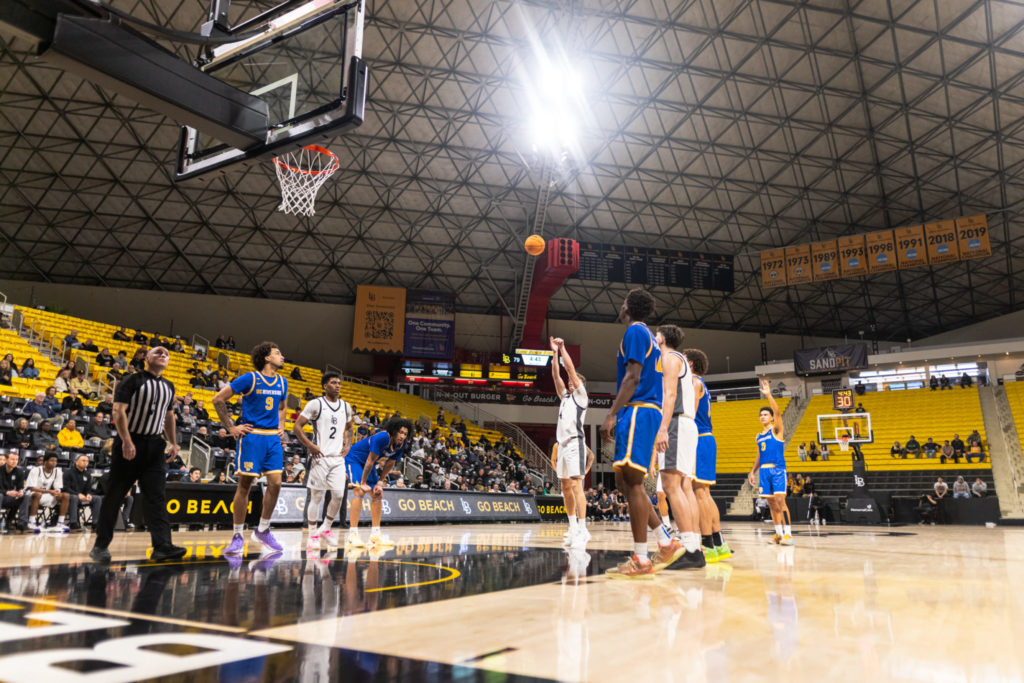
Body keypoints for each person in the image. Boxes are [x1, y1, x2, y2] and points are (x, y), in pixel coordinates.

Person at [89, 346, 185, 563]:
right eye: (158, 352)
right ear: (146, 358)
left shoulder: (169, 386)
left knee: (156, 497)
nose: (163, 355)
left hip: (154, 446)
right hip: (130, 442)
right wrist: (126, 440)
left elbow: (169, 417)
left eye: (166, 354)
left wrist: (173, 443)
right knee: (115, 494)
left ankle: (162, 546)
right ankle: (100, 546)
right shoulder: (132, 381)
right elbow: (118, 411)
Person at [600, 288, 663, 578]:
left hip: (638, 408)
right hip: (640, 410)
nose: (620, 304)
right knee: (624, 482)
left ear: (629, 307)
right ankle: (665, 539)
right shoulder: (645, 334)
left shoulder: (636, 332)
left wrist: (611, 413)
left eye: (623, 300)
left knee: (634, 483)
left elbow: (633, 376)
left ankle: (641, 558)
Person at [214, 341, 289, 557]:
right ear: (266, 358)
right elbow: (218, 399)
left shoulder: (283, 382)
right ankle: (237, 535)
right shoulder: (250, 378)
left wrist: (282, 426)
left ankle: (263, 529)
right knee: (245, 484)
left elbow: (282, 407)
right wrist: (230, 426)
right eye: (278, 353)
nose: (282, 356)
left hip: (272, 439)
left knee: (276, 483)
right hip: (252, 437)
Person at [651, 325, 704, 571]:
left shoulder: (671, 359)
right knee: (683, 487)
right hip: (686, 426)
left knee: (672, 487)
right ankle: (694, 546)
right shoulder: (678, 359)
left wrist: (662, 428)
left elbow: (670, 396)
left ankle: (690, 550)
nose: (653, 336)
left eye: (656, 334)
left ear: (661, 338)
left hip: (676, 423)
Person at [293, 373, 354, 551]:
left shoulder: (346, 406)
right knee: (317, 497)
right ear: (324, 386)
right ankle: (313, 534)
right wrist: (310, 445)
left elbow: (349, 428)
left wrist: (348, 444)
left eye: (339, 383)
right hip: (320, 457)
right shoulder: (316, 404)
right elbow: (297, 427)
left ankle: (326, 528)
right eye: (333, 382)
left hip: (337, 459)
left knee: (339, 495)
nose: (337, 385)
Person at [548, 336, 593, 548]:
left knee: (576, 486)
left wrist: (564, 348)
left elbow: (570, 370)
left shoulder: (581, 397)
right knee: (565, 488)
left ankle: (584, 530)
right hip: (563, 444)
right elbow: (556, 374)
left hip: (575, 443)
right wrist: (554, 354)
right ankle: (573, 527)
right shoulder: (565, 397)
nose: (570, 382)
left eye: (574, 381)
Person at [344, 416, 413, 547]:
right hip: (355, 459)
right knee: (359, 489)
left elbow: (390, 462)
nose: (403, 436)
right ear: (393, 430)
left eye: (405, 434)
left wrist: (380, 482)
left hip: (369, 464)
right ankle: (352, 535)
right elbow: (370, 461)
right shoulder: (382, 437)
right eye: (400, 432)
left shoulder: (401, 443)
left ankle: (375, 536)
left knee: (377, 493)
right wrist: (363, 482)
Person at [749, 378, 792, 545]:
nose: (762, 417)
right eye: (761, 415)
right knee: (772, 504)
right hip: (764, 472)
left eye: (765, 414)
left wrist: (768, 395)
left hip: (778, 470)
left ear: (772, 418)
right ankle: (779, 534)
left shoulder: (777, 430)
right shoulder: (759, 436)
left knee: (781, 502)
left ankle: (788, 534)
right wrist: (752, 471)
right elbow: (759, 456)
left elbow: (778, 412)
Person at [18, 452, 70, 533]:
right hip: (30, 495)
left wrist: (57, 492)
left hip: (46, 494)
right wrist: (49, 491)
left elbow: (58, 487)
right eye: (52, 461)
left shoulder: (58, 471)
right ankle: (32, 522)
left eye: (56, 461)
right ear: (45, 462)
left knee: (65, 496)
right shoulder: (35, 470)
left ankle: (60, 523)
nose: (54, 463)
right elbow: (31, 488)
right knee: (37, 494)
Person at [64, 454, 101, 530]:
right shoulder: (68, 473)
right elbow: (65, 488)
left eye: (87, 461)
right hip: (71, 496)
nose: (85, 463)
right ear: (76, 462)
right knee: (74, 498)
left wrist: (88, 494)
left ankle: (95, 523)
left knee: (97, 498)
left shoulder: (87, 474)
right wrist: (77, 494)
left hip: (83, 497)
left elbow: (89, 488)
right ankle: (73, 523)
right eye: (83, 460)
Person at [1, 452, 26, 529]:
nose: (15, 461)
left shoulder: (19, 471)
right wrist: (7, 492)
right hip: (2, 495)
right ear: (6, 460)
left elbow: (20, 486)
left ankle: (21, 523)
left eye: (16, 459)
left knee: (25, 496)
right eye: (12, 459)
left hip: (10, 497)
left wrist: (20, 491)